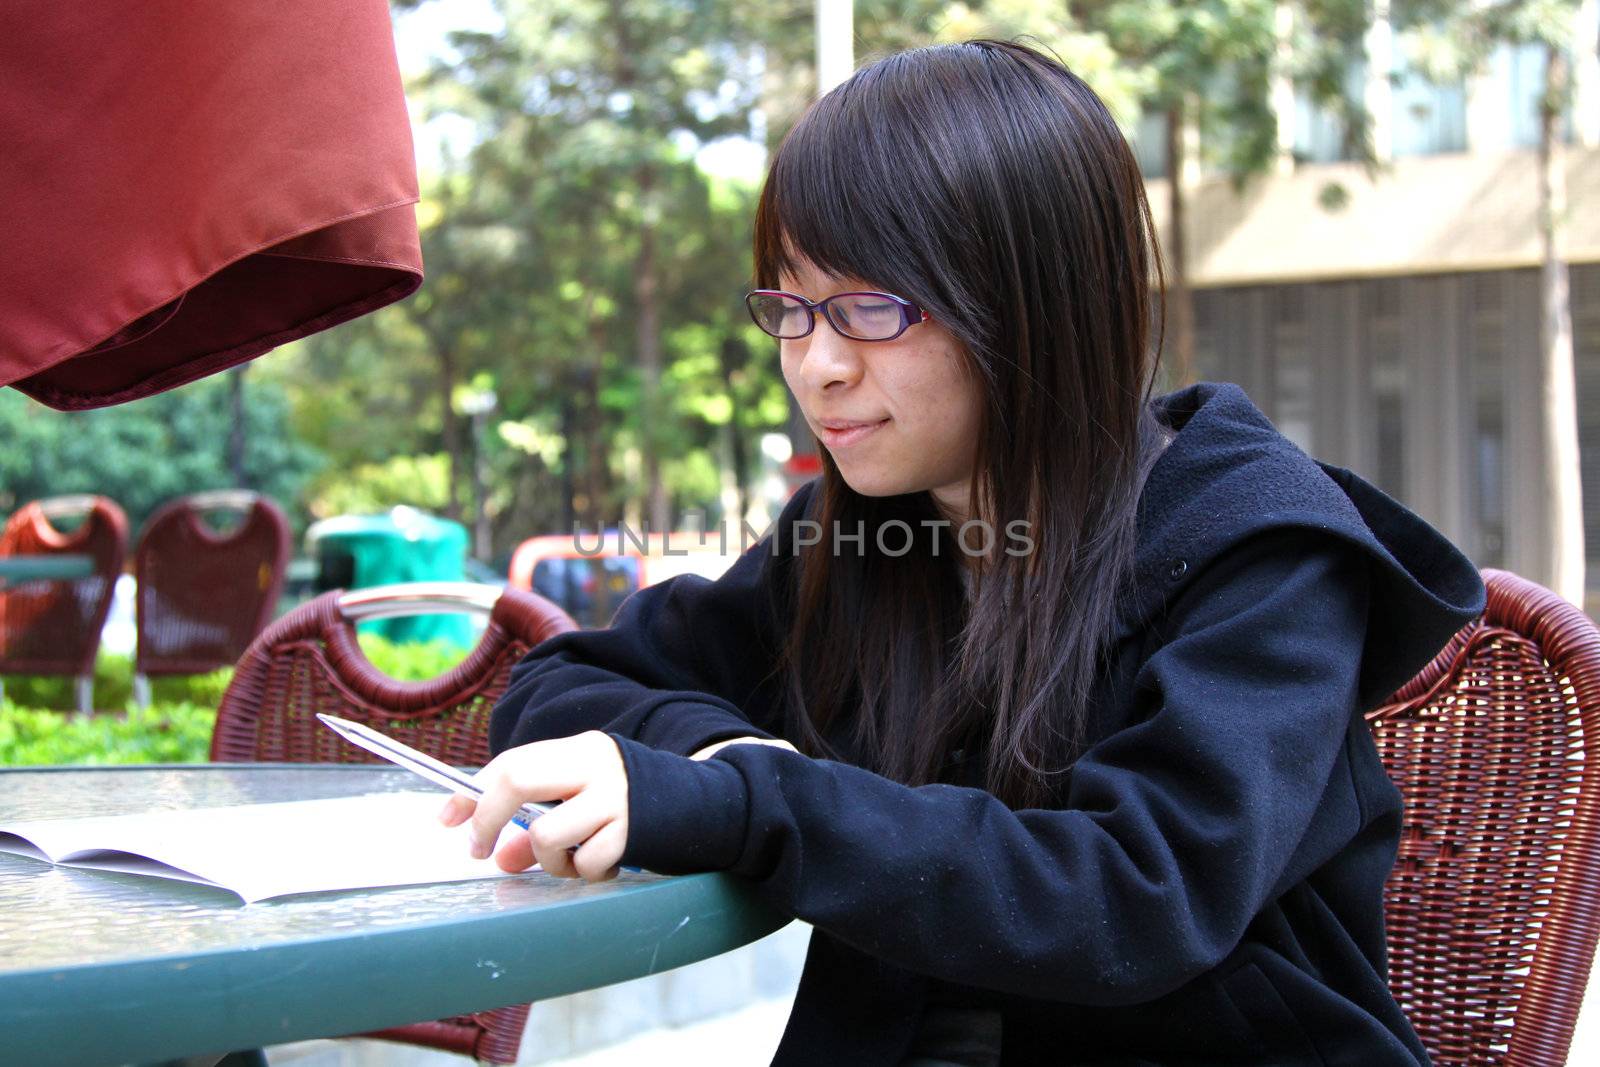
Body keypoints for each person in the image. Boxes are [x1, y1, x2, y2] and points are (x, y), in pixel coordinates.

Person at [440, 39, 1486, 1066]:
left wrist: (750, 804)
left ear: (1035, 303)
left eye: (870, 308)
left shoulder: (1259, 553)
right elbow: (566, 681)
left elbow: (1135, 895)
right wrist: (724, 758)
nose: (817, 365)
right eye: (791, 307)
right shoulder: (863, 533)